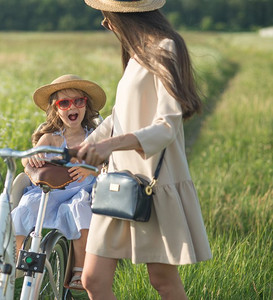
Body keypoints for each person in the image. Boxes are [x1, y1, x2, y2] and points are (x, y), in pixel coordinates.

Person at [75, 1, 213, 299]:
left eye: (107, 16)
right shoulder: (136, 55)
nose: (104, 24)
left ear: (126, 17)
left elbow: (167, 126)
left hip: (151, 185)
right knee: (93, 280)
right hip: (116, 185)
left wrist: (110, 145)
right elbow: (119, 116)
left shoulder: (166, 49)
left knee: (162, 280)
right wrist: (86, 145)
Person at [11, 74, 106, 290]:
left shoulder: (94, 136)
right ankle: (16, 258)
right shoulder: (53, 137)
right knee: (26, 206)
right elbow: (28, 159)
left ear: (85, 105)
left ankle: (80, 269)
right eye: (64, 103)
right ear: (56, 109)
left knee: (79, 210)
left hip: (83, 189)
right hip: (52, 192)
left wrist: (91, 170)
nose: (72, 107)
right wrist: (31, 159)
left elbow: (107, 166)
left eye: (78, 101)